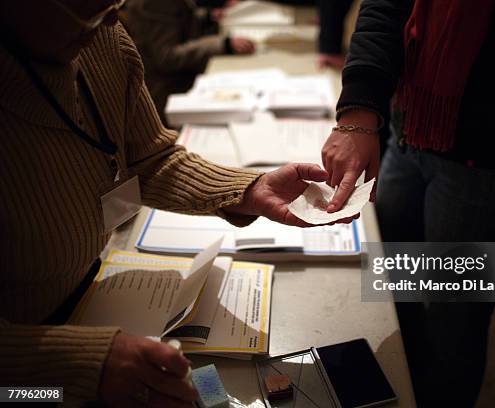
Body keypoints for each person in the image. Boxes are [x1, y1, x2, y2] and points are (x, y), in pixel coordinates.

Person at [0, 0, 350, 405]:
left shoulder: (102, 36)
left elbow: (149, 155)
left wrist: (247, 190)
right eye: (88, 7)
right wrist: (78, 362)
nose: (114, 17)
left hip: (97, 296)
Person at [322, 0, 495, 406]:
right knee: (392, 299)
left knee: (450, 334)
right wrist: (359, 108)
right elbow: (386, 5)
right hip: (413, 132)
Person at [123, 0, 255, 123]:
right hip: (168, 92)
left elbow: (178, 17)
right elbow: (167, 57)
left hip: (179, 81)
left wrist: (208, 16)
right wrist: (223, 44)